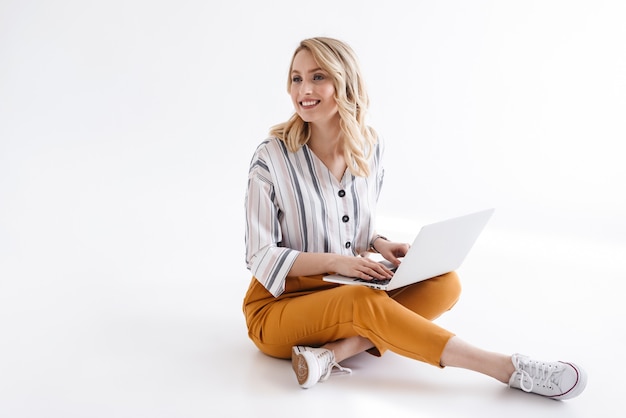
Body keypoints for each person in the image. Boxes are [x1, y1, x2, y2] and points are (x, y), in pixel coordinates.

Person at [242, 36, 587, 399]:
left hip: (346, 289)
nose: (303, 90)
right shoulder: (271, 157)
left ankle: (332, 354)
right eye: (296, 79)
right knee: (364, 303)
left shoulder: (369, 147)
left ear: (345, 83)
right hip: (277, 307)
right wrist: (337, 261)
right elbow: (259, 255)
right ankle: (508, 368)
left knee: (446, 283)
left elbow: (350, 225)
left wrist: (378, 243)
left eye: (317, 77)